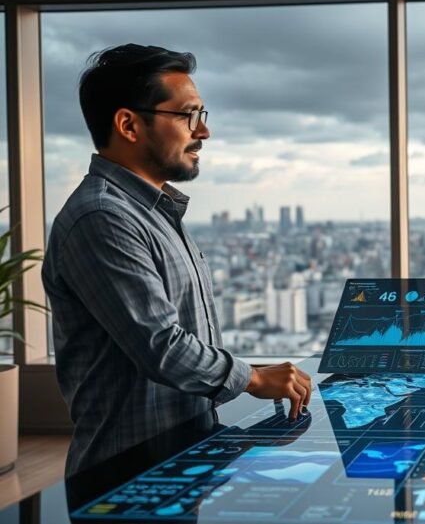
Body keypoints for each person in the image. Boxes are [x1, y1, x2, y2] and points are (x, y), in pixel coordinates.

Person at [42, 44, 314, 476]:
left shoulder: (157, 213)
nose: (202, 132)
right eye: (188, 116)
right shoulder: (102, 218)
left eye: (203, 117)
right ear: (129, 124)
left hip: (180, 453)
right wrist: (255, 379)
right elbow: (160, 346)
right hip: (127, 470)